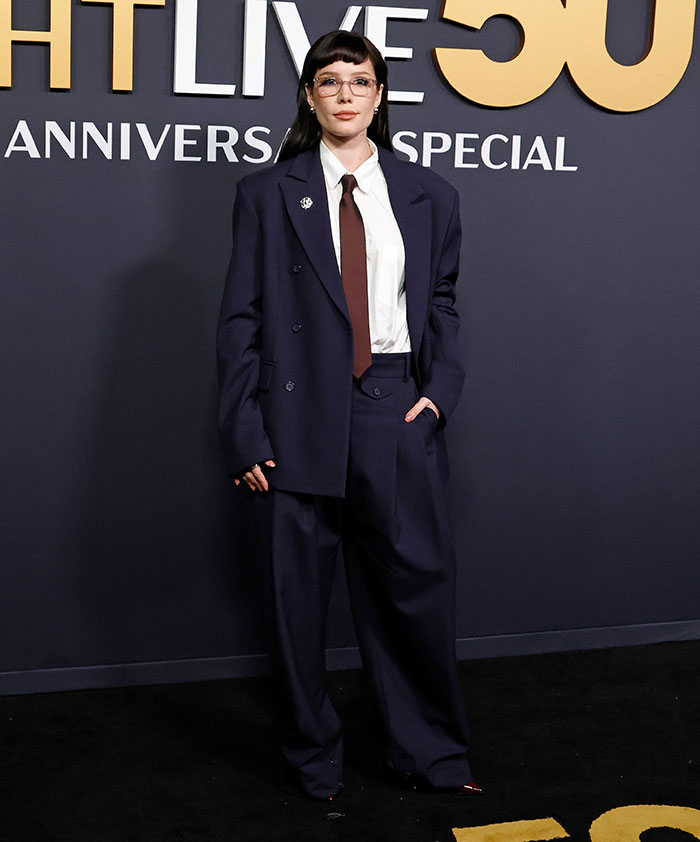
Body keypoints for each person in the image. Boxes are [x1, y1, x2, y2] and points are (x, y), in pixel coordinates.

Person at [216, 30, 481, 802]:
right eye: (328, 81)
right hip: (296, 414)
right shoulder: (267, 193)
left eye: (359, 82)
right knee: (297, 604)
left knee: (413, 594)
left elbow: (441, 302)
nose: (344, 94)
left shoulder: (431, 194)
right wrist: (243, 431)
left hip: (394, 406)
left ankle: (430, 755)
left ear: (378, 95)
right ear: (309, 95)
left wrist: (440, 393)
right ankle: (314, 762)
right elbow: (241, 319)